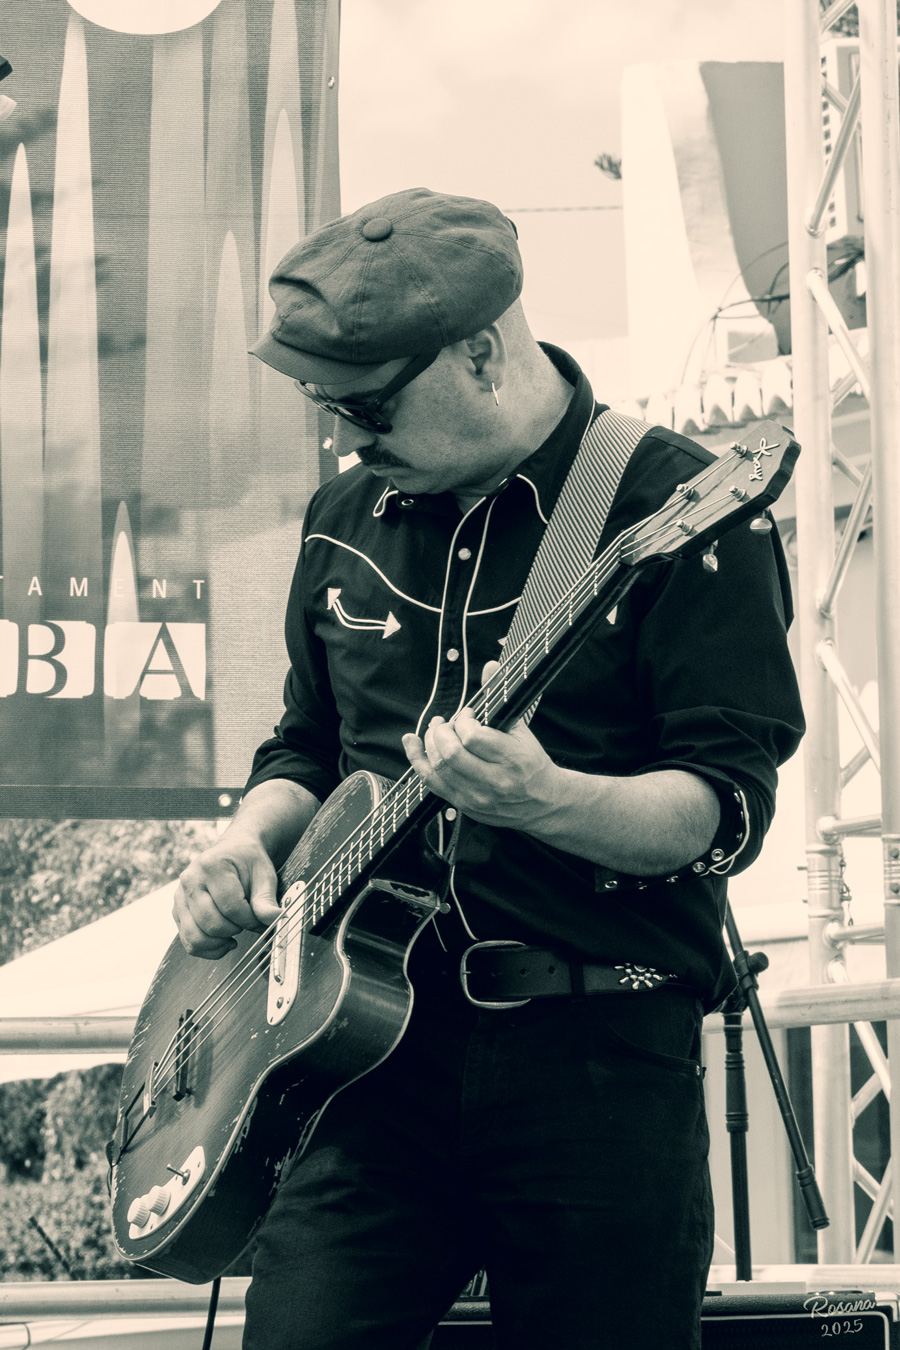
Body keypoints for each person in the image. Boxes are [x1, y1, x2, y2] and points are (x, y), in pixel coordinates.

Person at [174, 187, 805, 1350]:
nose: (348, 437)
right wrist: (244, 840)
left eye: (368, 405)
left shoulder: (677, 507)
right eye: (327, 405)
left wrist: (547, 800)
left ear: (479, 352)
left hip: (598, 1066)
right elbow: (306, 746)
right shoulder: (342, 515)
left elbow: (721, 812)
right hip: (362, 1069)